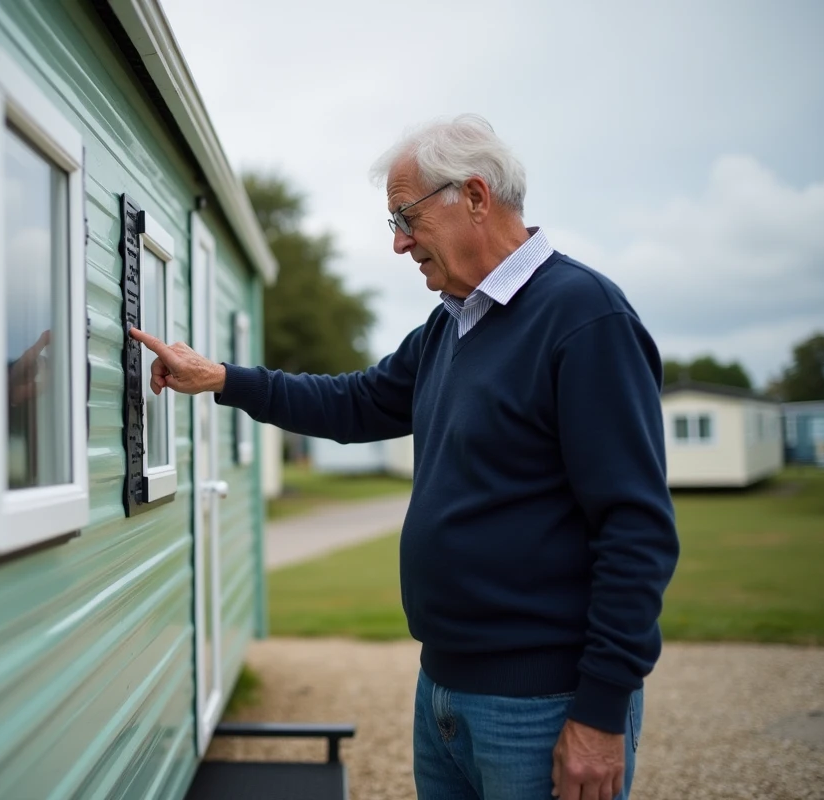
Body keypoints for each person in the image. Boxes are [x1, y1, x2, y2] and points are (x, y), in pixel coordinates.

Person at [130, 114, 679, 800]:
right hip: (443, 689)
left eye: (405, 216)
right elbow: (353, 403)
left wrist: (599, 715)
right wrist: (223, 379)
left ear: (475, 197)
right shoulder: (451, 324)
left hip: (541, 704)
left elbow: (637, 530)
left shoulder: (585, 318)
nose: (397, 242)